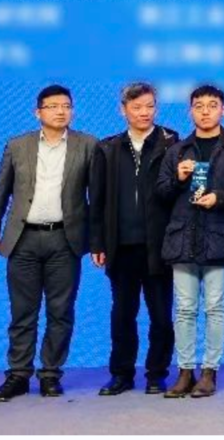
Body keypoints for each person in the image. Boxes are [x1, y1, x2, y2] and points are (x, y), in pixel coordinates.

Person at [0, 85, 97, 402]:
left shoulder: (87, 145)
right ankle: (18, 375)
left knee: (61, 312)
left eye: (66, 106)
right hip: (23, 239)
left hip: (65, 239)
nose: (61, 111)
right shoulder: (17, 145)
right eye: (53, 106)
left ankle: (50, 375)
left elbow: (97, 197)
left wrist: (97, 241)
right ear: (38, 112)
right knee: (23, 312)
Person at [156, 84, 224, 398]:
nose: (206, 111)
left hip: (219, 237)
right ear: (190, 111)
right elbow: (161, 192)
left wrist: (219, 198)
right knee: (184, 309)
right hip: (182, 238)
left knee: (215, 307)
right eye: (199, 106)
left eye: (212, 105)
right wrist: (178, 178)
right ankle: (185, 371)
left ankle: (210, 372)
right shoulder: (177, 150)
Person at [89, 82, 180, 396]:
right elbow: (97, 199)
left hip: (160, 246)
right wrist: (97, 242)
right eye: (137, 107)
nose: (144, 113)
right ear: (123, 110)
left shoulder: (171, 142)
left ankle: (156, 374)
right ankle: (121, 374)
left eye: (150, 106)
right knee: (123, 314)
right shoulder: (107, 148)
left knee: (161, 317)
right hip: (121, 246)